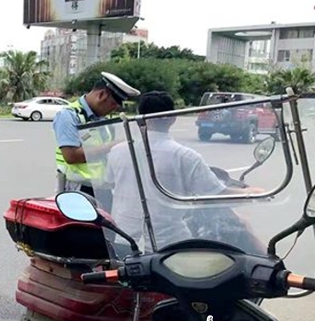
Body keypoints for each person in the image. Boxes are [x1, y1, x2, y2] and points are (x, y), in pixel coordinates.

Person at [104, 91, 265, 251]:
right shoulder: (185, 156)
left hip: (123, 240)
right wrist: (252, 193)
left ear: (139, 117)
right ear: (173, 118)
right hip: (167, 244)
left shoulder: (118, 151)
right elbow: (215, 194)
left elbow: (110, 182)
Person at [53, 71, 140, 211]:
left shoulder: (104, 121)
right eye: (112, 105)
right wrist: (112, 146)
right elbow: (71, 156)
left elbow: (106, 157)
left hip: (103, 188)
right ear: (101, 95)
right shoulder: (69, 116)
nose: (113, 109)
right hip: (79, 189)